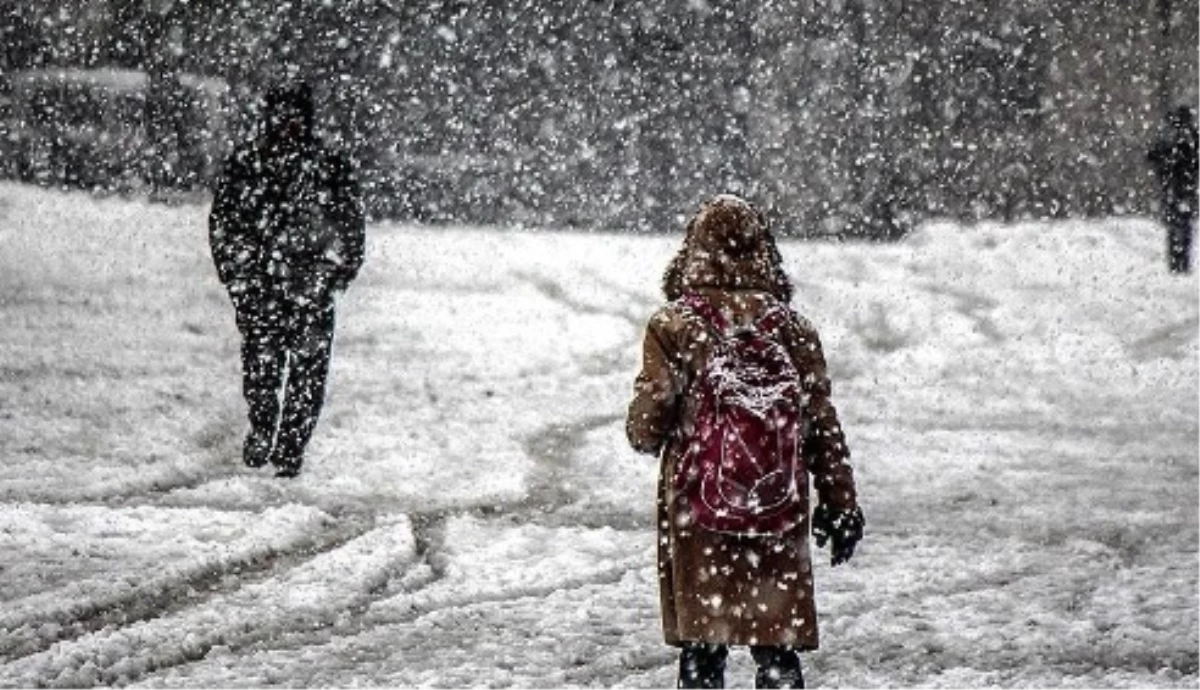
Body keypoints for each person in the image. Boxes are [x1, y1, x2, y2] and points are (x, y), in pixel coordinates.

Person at [626, 195, 863, 689]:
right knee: (776, 649)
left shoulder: (673, 325)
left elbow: (650, 424)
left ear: (693, 251)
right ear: (764, 252)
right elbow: (821, 422)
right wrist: (840, 501)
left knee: (703, 650)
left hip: (699, 505)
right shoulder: (793, 329)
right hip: (776, 505)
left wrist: (646, 429)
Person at [209, 82, 365, 478]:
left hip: (309, 287)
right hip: (262, 286)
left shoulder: (327, 167)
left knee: (307, 375)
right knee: (262, 367)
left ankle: (290, 447)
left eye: (295, 118)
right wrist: (238, 276)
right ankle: (263, 428)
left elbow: (350, 228)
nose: (288, 126)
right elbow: (224, 225)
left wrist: (333, 275)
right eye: (282, 118)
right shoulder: (248, 165)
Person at [1148, 105, 1200, 274]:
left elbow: (1153, 155)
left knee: (1177, 223)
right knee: (1182, 223)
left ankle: (1177, 261)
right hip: (1183, 184)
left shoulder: (1170, 135)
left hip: (1175, 184)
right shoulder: (1189, 136)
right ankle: (1180, 261)